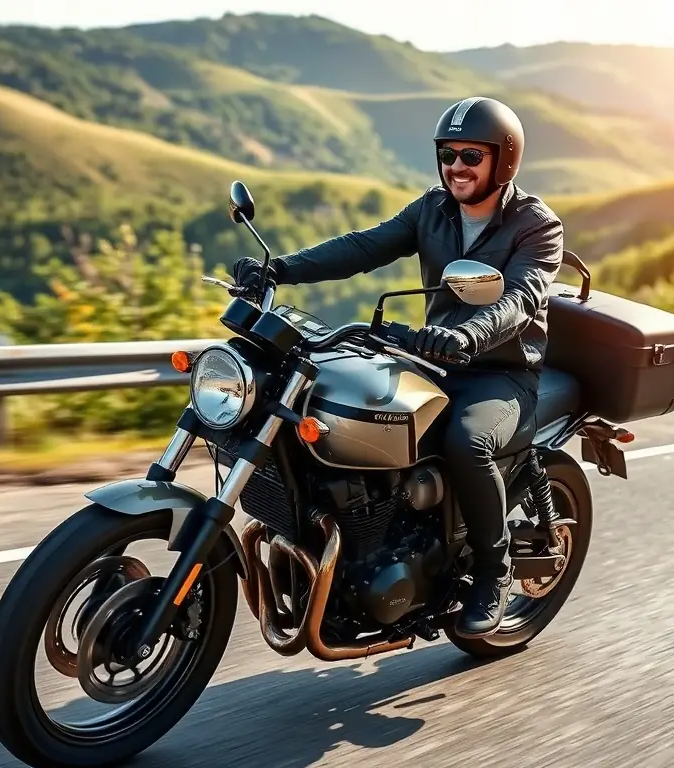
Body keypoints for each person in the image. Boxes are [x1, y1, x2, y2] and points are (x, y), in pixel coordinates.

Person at [232, 96, 564, 638]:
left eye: (471, 156)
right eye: (448, 154)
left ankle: (493, 571)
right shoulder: (432, 209)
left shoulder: (535, 225)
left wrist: (468, 334)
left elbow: (521, 298)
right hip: (431, 358)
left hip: (500, 371)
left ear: (504, 160)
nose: (456, 166)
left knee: (466, 442)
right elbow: (363, 248)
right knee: (345, 417)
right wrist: (280, 270)